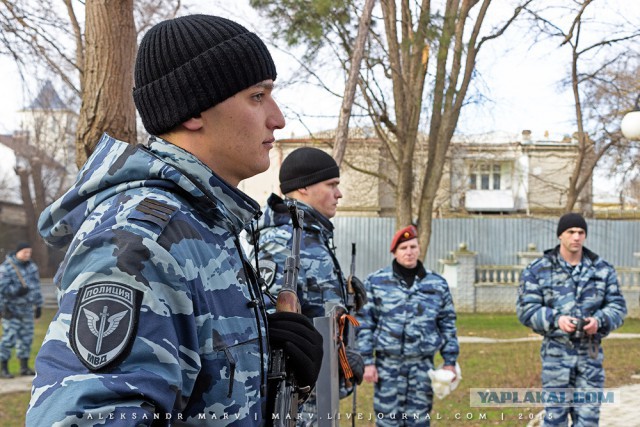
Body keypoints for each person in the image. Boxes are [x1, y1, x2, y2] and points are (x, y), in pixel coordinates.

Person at [26, 14, 323, 425]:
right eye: (258, 96)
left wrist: (265, 367)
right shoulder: (139, 240)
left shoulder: (204, 224)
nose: (278, 118)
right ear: (194, 110)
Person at [248, 146, 367, 425]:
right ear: (303, 187)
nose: (339, 194)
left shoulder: (310, 237)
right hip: (298, 406)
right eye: (332, 185)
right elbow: (270, 330)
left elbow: (315, 310)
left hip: (321, 396)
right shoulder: (281, 243)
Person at [517, 213, 627, 426]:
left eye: (581, 232)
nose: (576, 237)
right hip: (556, 360)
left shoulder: (602, 270)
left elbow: (618, 307)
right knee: (554, 420)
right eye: (571, 232)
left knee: (588, 421)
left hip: (590, 361)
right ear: (560, 235)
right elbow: (526, 310)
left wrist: (599, 321)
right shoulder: (539, 270)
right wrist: (555, 320)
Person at [356, 225, 459, 426]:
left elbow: (447, 323)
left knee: (419, 421)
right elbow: (365, 323)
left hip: (422, 366)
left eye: (413, 247)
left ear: (419, 249)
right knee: (387, 422)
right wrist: (367, 361)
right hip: (387, 367)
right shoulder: (376, 282)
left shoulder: (437, 284)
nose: (409, 252)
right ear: (394, 252)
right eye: (403, 248)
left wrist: (450, 361)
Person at [0, 242, 43, 378]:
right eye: (25, 252)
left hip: (27, 310)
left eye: (29, 252)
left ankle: (24, 368)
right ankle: (4, 368)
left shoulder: (32, 267)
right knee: (9, 339)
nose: (27, 255)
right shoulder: (6, 268)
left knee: (26, 339)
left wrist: (39, 306)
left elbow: (36, 288)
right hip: (11, 310)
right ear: (17, 252)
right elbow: (2, 290)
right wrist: (17, 291)